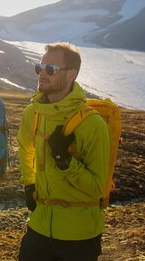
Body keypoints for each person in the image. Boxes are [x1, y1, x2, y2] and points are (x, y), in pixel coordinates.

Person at [17, 42, 111, 261]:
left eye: (50, 69)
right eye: (39, 68)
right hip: (39, 226)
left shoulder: (93, 124)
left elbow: (96, 188)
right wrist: (29, 183)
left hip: (79, 235)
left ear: (71, 75)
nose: (42, 74)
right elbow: (26, 149)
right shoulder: (33, 113)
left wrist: (64, 160)